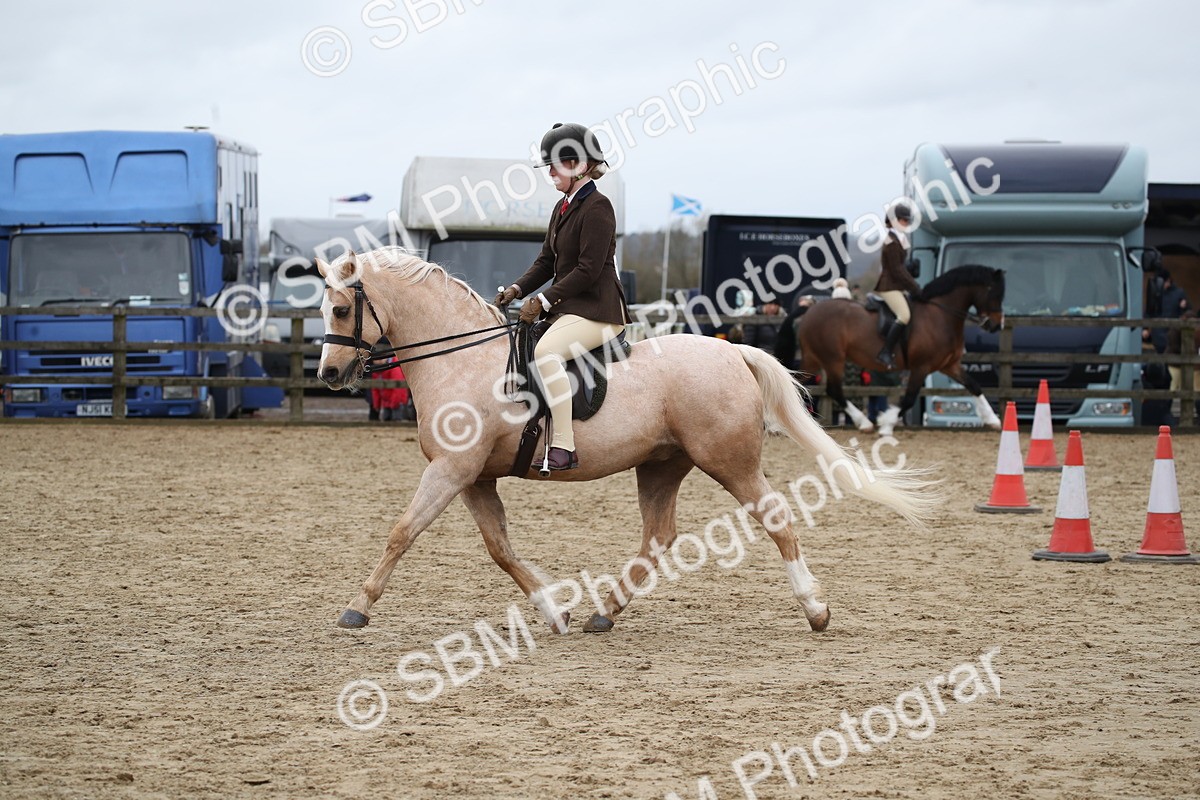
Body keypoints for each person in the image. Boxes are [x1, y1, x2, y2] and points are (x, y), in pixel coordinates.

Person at [494, 123, 630, 471]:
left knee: (546, 352)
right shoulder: (563, 206)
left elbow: (587, 269)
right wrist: (517, 289)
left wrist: (542, 302)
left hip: (599, 312)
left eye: (557, 164)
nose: (550, 171)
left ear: (581, 166)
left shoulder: (598, 207)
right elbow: (546, 262)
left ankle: (564, 446)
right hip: (571, 310)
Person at [874, 201, 920, 369]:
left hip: (897, 285)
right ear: (894, 221)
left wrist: (911, 267)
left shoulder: (900, 239)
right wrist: (914, 287)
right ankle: (885, 352)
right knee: (904, 315)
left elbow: (902, 265)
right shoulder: (891, 242)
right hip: (889, 286)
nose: (906, 224)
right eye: (903, 220)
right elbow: (896, 270)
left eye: (907, 221)